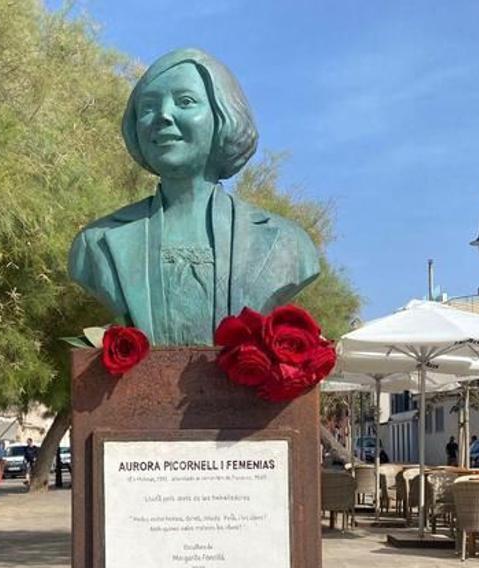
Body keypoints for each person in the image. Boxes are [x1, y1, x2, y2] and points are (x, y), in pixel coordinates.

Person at [68, 48, 320, 345]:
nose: (162, 115)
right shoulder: (95, 245)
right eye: (148, 107)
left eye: (185, 102)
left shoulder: (287, 245)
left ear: (224, 118)